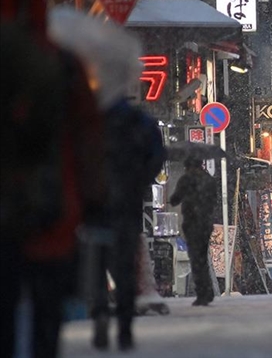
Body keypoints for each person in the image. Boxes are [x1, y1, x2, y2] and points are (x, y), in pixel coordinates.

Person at [1, 0, 108, 358]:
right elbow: (87, 136)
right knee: (47, 307)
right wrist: (94, 197)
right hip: (52, 202)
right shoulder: (63, 64)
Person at [90, 98, 166, 350]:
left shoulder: (90, 119)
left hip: (95, 204)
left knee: (97, 261)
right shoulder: (139, 121)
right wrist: (140, 182)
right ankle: (124, 325)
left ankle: (100, 310)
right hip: (128, 202)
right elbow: (157, 155)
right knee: (124, 264)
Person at [170, 157, 219, 306]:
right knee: (202, 257)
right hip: (205, 223)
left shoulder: (186, 179)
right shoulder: (209, 180)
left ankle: (203, 293)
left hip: (192, 223)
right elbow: (214, 200)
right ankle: (207, 290)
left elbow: (174, 200)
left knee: (196, 259)